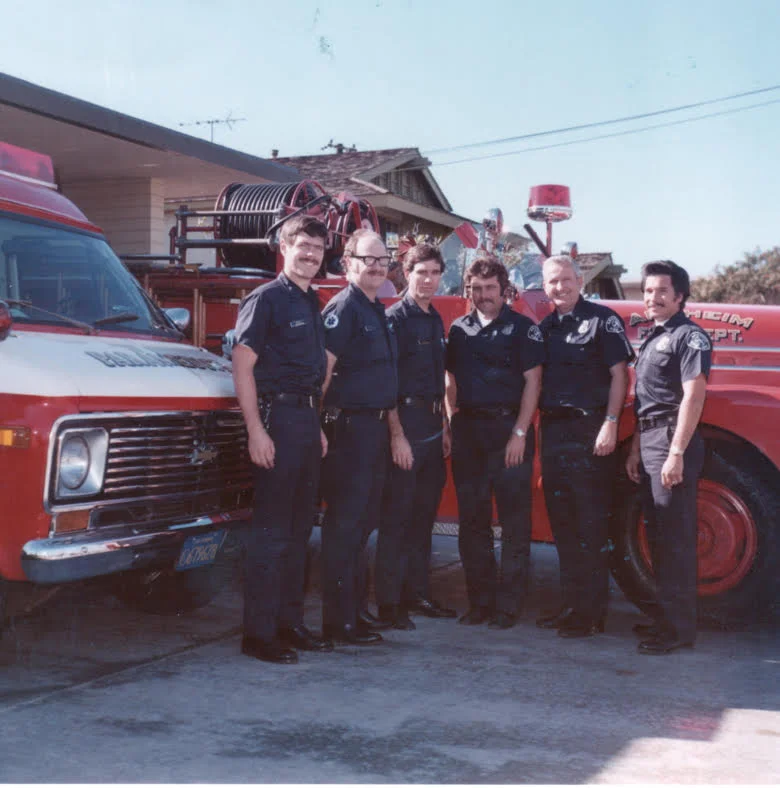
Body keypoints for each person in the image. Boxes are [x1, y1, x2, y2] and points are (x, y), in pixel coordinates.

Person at [232, 214, 332, 665]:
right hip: (277, 420)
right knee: (271, 532)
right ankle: (259, 635)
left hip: (307, 421)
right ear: (284, 249)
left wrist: (318, 426)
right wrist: (256, 429)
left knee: (298, 532)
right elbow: (242, 363)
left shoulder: (312, 301)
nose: (310, 255)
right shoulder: (266, 299)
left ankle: (290, 625)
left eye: (317, 248)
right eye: (302, 246)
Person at [535, 255, 633, 638]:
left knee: (590, 524)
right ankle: (571, 607)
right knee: (563, 524)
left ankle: (591, 614)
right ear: (545, 287)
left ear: (579, 279)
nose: (559, 287)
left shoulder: (602, 319)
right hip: (555, 432)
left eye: (565, 279)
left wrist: (610, 423)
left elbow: (619, 375)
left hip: (590, 430)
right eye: (552, 282)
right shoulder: (544, 328)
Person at [445, 255, 543, 629]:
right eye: (477, 289)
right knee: (473, 522)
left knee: (515, 523)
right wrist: (451, 423)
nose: (483, 295)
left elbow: (534, 382)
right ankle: (480, 603)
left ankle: (508, 607)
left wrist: (520, 432)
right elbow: (449, 380)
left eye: (490, 289)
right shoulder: (458, 329)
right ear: (468, 291)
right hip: (469, 432)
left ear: (504, 291)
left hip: (509, 433)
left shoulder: (523, 328)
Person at [626, 260, 710, 655]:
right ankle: (666, 617)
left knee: (673, 540)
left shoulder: (689, 337)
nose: (652, 298)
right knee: (657, 536)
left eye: (661, 291)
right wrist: (636, 449)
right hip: (650, 439)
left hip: (672, 438)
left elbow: (693, 396)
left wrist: (675, 453)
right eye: (647, 291)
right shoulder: (652, 336)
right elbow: (645, 401)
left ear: (680, 296)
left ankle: (678, 630)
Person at [319, 229, 398, 645]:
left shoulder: (375, 308)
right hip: (349, 429)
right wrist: (318, 425)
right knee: (344, 528)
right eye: (367, 259)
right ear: (348, 262)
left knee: (363, 526)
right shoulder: (344, 308)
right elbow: (323, 372)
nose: (376, 266)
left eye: (382, 260)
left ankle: (355, 613)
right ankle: (339, 622)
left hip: (375, 429)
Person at [375, 243, 457, 629]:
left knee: (424, 519)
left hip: (430, 425)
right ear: (405, 274)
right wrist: (396, 436)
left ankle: (417, 594)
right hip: (403, 423)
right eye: (421, 272)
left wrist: (443, 427)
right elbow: (387, 383)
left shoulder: (433, 320)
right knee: (397, 519)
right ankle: (390, 605)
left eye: (435, 273)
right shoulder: (395, 320)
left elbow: (440, 380)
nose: (428, 280)